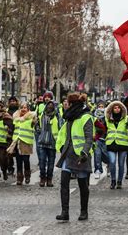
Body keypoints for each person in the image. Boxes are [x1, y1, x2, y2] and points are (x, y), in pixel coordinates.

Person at [56, 92, 94, 221]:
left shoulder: (86, 117)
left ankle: (84, 211)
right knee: (64, 183)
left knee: (83, 185)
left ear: (73, 104)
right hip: (68, 154)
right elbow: (64, 135)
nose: (66, 106)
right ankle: (64, 212)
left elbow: (89, 138)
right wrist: (61, 147)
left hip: (80, 156)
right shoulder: (69, 117)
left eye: (68, 103)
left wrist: (84, 152)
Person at [9, 102, 36, 185]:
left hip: (26, 142)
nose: (23, 109)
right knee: (18, 160)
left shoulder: (31, 118)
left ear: (28, 109)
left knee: (26, 160)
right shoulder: (16, 119)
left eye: (25, 108)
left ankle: (27, 175)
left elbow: (35, 122)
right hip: (17, 141)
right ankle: (19, 177)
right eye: (22, 108)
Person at [36, 100, 61, 187]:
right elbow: (37, 126)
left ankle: (49, 179)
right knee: (42, 163)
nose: (50, 107)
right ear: (46, 107)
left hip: (52, 143)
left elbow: (60, 128)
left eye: (51, 106)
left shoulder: (57, 116)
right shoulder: (42, 116)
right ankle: (42, 178)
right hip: (42, 143)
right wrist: (39, 132)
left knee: (51, 164)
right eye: (48, 105)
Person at [105, 100, 128, 189]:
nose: (117, 109)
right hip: (111, 143)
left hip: (123, 144)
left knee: (121, 164)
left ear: (122, 109)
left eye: (119, 107)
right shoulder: (107, 119)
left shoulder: (126, 118)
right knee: (112, 162)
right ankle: (113, 180)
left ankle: (119, 181)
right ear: (111, 109)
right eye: (115, 107)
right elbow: (103, 128)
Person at [93, 100, 108, 179]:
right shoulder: (94, 116)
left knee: (106, 155)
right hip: (97, 138)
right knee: (97, 154)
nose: (101, 108)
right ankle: (98, 170)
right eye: (99, 107)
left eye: (102, 107)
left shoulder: (108, 115)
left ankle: (108, 165)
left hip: (106, 138)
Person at [6, 96, 20, 176]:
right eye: (11, 101)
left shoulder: (19, 111)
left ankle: (19, 169)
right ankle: (10, 168)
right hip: (9, 135)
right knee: (9, 153)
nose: (12, 102)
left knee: (18, 153)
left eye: (14, 101)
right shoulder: (7, 112)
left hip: (18, 134)